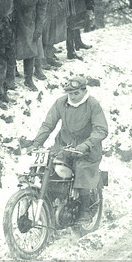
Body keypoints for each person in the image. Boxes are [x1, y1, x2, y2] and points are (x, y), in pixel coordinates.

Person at [22, 75, 109, 223]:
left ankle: (85, 211)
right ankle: (53, 207)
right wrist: (36, 143)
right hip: (64, 145)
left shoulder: (92, 104)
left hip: (87, 148)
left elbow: (101, 130)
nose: (73, 97)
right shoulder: (61, 103)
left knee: (82, 169)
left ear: (84, 91)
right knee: (51, 169)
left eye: (76, 93)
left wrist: (86, 145)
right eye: (70, 93)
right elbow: (48, 125)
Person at [14, 0, 50, 91]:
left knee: (31, 46)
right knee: (11, 45)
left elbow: (42, 6)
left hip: (29, 16)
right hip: (14, 14)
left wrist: (39, 26)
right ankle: (10, 76)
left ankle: (28, 79)